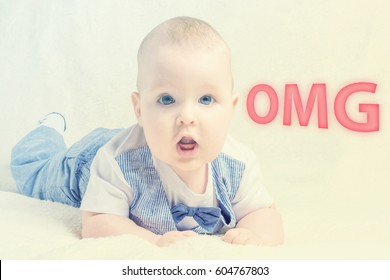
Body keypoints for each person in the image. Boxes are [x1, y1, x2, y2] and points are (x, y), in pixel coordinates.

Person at [11, 16, 283, 247]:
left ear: (231, 108)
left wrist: (254, 235)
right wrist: (150, 241)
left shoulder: (237, 165)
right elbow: (95, 223)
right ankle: (48, 130)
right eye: (167, 99)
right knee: (32, 174)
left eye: (206, 99)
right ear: (140, 109)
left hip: (146, 137)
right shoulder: (116, 164)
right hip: (85, 162)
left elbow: (263, 212)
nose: (187, 117)